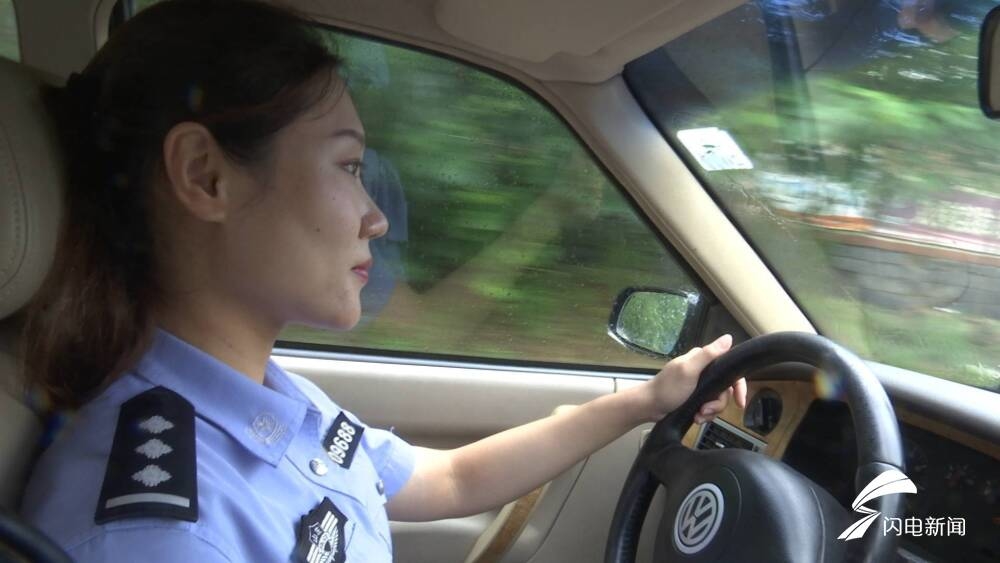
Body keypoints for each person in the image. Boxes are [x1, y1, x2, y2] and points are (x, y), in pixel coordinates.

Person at [17, 1, 746, 561]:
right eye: (347, 166)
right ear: (206, 177)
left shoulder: (270, 397)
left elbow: (450, 481)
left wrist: (645, 402)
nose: (376, 218)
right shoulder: (162, 533)